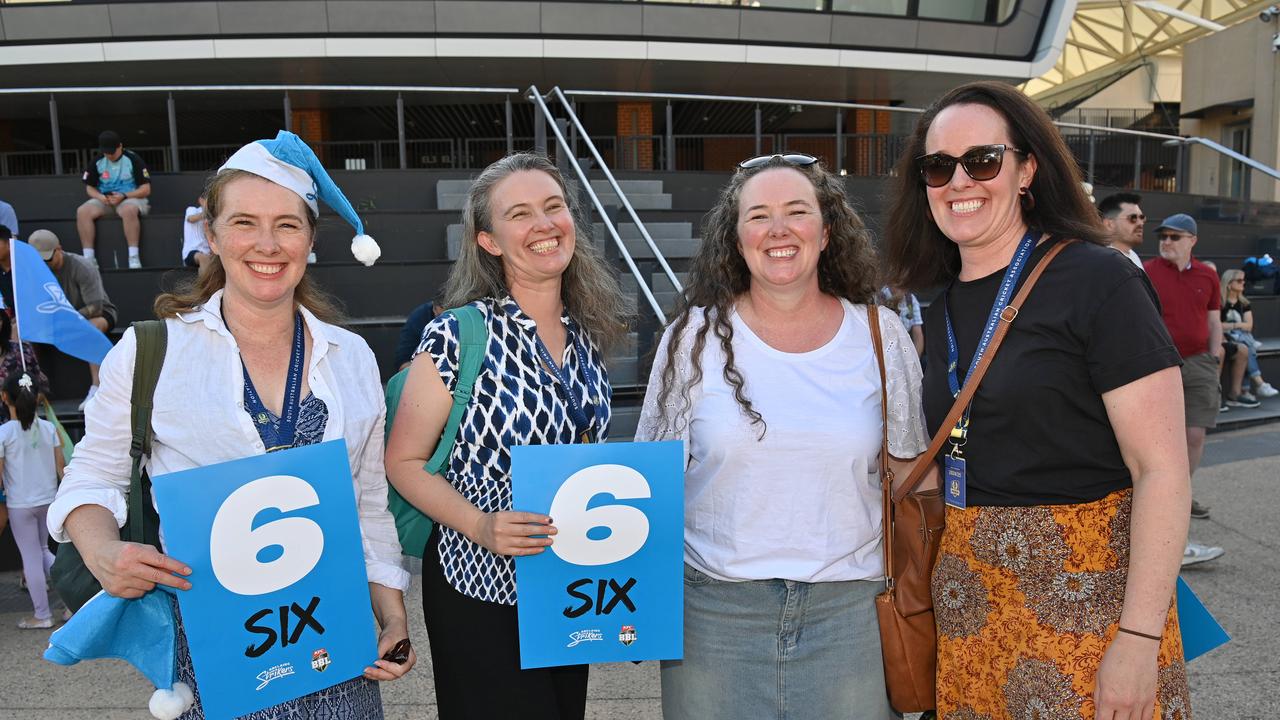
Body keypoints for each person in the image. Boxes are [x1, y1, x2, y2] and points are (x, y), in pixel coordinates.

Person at [47, 130, 413, 719]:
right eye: (244, 222)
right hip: (211, 653)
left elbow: (367, 503)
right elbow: (91, 475)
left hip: (334, 648)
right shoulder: (150, 352)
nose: (267, 244)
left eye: (288, 225)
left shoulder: (352, 358)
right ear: (211, 235)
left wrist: (392, 616)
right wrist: (101, 549)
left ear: (310, 239)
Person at [884, 81, 1191, 718]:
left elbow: (1161, 470)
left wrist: (1138, 638)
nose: (959, 181)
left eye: (983, 160)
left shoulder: (1097, 279)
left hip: (1087, 601)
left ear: (1027, 169)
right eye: (938, 166)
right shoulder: (938, 296)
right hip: (969, 600)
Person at [634, 153, 926, 720]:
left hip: (853, 613)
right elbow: (651, 477)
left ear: (826, 231)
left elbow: (911, 474)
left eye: (797, 211)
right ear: (736, 238)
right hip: (714, 614)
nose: (778, 230)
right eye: (758, 216)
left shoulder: (881, 334)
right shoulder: (690, 340)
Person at [385, 152, 627, 720]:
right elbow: (404, 462)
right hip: (478, 584)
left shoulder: (585, 336)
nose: (544, 224)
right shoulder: (456, 334)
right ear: (489, 240)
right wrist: (480, 525)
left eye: (554, 207)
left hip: (564, 581)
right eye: (520, 214)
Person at [1145, 215, 1238, 525]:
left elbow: (1214, 320)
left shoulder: (1207, 276)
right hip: (1158, 363)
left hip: (1199, 363)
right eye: (1164, 236)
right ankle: (1156, 496)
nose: (1167, 242)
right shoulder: (1147, 272)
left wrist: (1214, 356)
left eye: (1175, 237)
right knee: (1153, 435)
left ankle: (1179, 494)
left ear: (1192, 241)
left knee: (1195, 434)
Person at [29, 229, 118, 409]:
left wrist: (68, 318)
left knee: (92, 326)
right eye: (40, 261)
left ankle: (96, 387)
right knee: (23, 330)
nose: (45, 264)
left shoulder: (82, 266)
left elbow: (96, 306)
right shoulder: (35, 272)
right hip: (57, 319)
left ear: (59, 249)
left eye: (48, 259)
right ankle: (32, 387)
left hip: (94, 314)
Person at [2, 372, 63, 629]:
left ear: (5, 397)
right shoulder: (49, 428)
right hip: (49, 501)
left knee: (31, 556)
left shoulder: (4, 433)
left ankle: (42, 615)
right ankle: (71, 605)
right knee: (45, 550)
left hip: (20, 504)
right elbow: (62, 469)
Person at [77, 130, 151, 269]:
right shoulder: (98, 161)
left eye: (112, 151)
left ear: (120, 146)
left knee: (128, 210)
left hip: (130, 198)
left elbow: (146, 189)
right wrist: (100, 197)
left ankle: (133, 257)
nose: (110, 155)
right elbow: (89, 188)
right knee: (82, 211)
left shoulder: (133, 159)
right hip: (106, 200)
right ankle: (88, 258)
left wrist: (124, 196)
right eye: (106, 152)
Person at [1221, 267, 1277, 398]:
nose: (1243, 283)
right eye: (1239, 281)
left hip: (1241, 336)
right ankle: (1257, 384)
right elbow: (1218, 325)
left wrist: (1232, 326)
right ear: (1229, 284)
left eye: (1244, 281)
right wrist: (1237, 325)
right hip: (1227, 337)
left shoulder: (1244, 303)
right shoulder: (1221, 303)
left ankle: (1246, 389)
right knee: (1248, 347)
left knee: (1245, 346)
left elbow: (1249, 326)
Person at [1098, 192, 1145, 268]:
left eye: (1142, 217)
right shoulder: (1101, 260)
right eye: (1133, 218)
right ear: (1109, 224)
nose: (1140, 223)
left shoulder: (1133, 256)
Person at [394, 300, 438, 371]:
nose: (443, 323)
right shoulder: (422, 316)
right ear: (434, 309)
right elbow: (402, 363)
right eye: (439, 317)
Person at [881, 285, 925, 355]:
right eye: (898, 283)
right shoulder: (880, 298)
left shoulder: (910, 300)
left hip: (905, 352)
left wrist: (914, 361)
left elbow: (918, 336)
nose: (902, 288)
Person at [180, 193, 212, 270]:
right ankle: (206, 282)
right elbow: (191, 219)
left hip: (208, 252)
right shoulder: (192, 210)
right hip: (191, 252)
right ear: (201, 200)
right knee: (203, 258)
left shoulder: (213, 217)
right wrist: (207, 213)